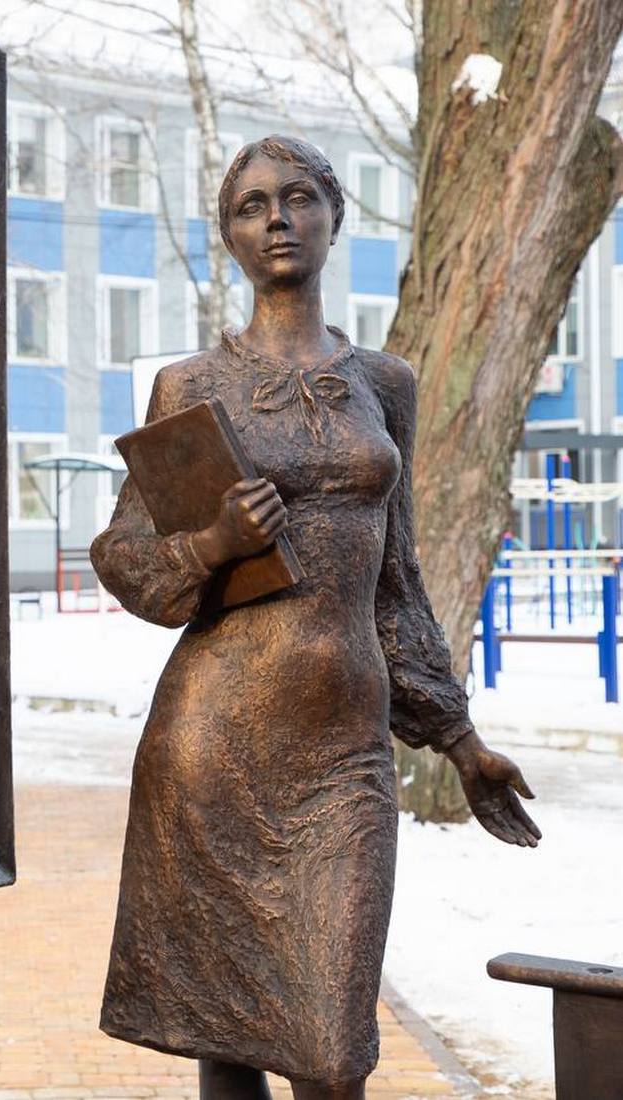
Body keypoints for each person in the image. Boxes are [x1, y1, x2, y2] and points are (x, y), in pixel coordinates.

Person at [89, 136, 541, 1100]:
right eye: (253, 207)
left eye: (298, 199)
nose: (278, 219)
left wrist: (460, 742)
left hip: (343, 751)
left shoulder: (387, 384)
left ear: (335, 216)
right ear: (231, 238)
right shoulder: (191, 386)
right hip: (213, 745)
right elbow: (126, 560)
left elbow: (397, 581)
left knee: (334, 1055)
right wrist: (212, 541)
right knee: (231, 1031)